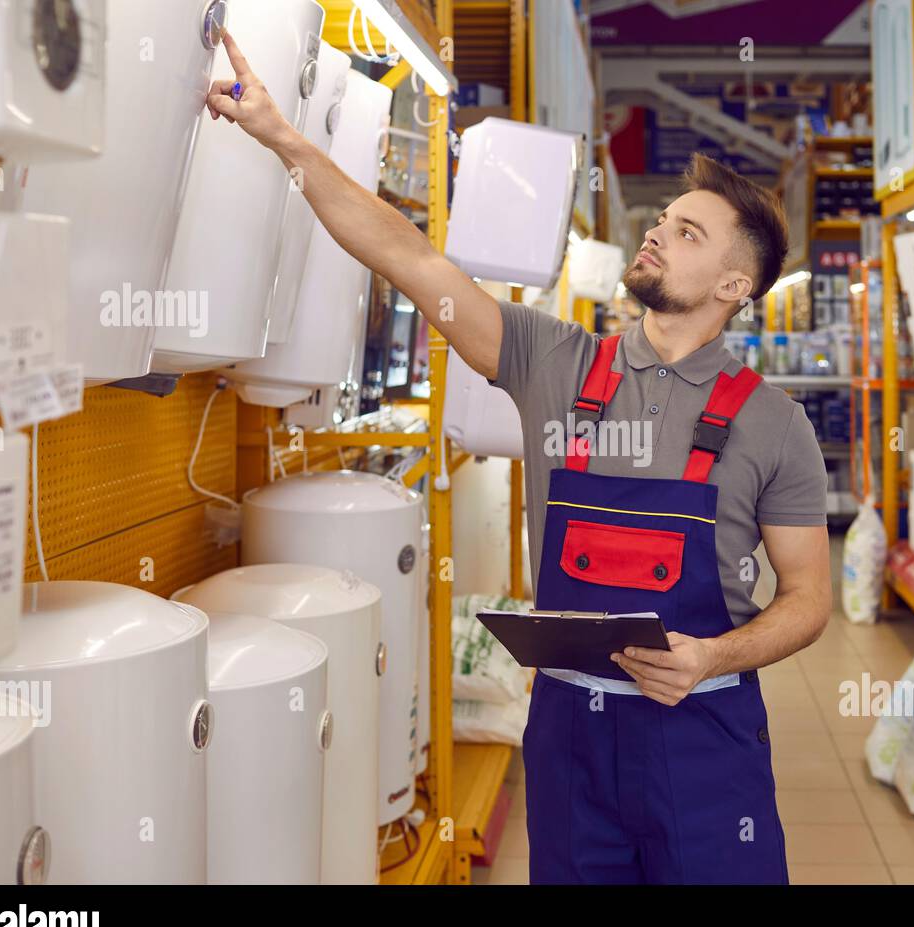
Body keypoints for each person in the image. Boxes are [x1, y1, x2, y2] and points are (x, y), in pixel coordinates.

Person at [206, 31, 832, 884]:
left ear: (733, 287)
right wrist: (283, 137)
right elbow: (409, 256)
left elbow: (808, 602)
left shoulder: (774, 423)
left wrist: (710, 658)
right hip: (570, 742)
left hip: (702, 741)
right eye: (664, 220)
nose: (657, 234)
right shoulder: (556, 364)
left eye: (687, 233)